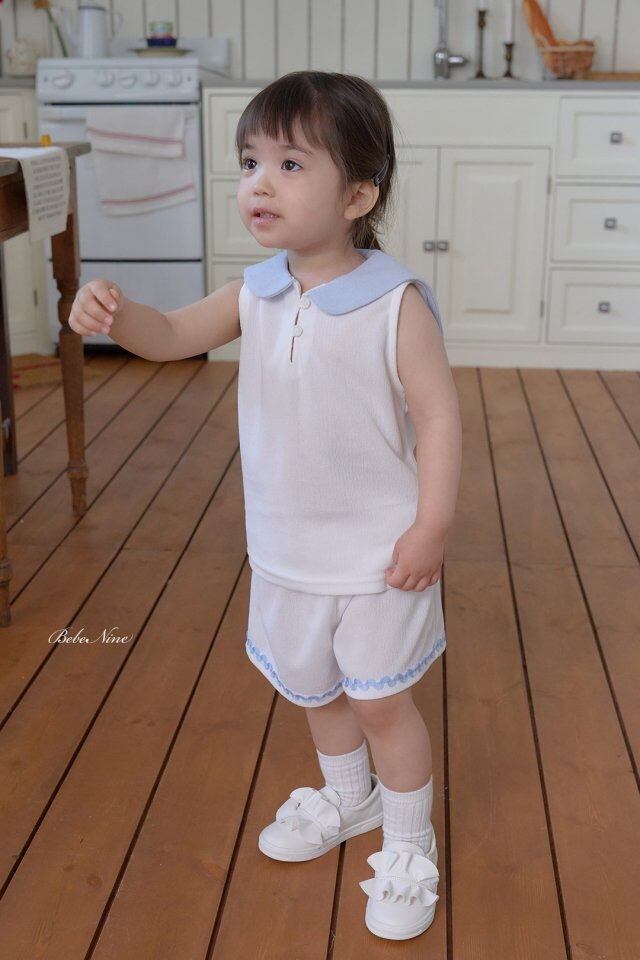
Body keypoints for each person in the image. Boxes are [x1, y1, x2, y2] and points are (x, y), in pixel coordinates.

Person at [69, 70, 462, 942]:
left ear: (358, 195)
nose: (259, 183)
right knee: (314, 686)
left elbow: (439, 419)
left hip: (380, 555)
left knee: (381, 703)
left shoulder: (394, 304)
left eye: (290, 164)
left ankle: (408, 844)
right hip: (286, 550)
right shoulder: (257, 290)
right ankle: (349, 798)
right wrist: (118, 315)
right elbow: (172, 337)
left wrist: (431, 526)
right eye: (250, 162)